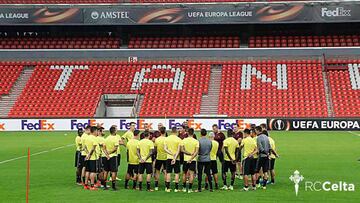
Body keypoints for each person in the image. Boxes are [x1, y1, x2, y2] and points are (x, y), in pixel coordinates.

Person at [180, 128, 199, 193]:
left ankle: (184, 188)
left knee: (184, 174)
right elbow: (196, 152)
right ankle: (190, 189)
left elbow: (182, 150)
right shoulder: (196, 141)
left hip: (185, 159)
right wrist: (191, 157)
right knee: (191, 174)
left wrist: (188, 153)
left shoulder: (184, 140)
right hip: (192, 160)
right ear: (193, 133)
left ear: (187, 133)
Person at [164, 127, 182, 192]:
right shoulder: (179, 139)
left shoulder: (167, 139)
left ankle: (167, 188)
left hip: (169, 157)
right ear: (176, 131)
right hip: (177, 158)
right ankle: (176, 188)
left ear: (171, 131)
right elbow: (178, 150)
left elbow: (165, 149)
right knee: (177, 173)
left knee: (168, 172)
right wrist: (174, 156)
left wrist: (171, 154)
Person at [104, 126, 120, 190]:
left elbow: (104, 148)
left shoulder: (106, 138)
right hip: (113, 156)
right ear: (114, 131)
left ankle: (105, 185)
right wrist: (110, 153)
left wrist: (107, 154)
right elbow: (115, 148)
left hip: (106, 157)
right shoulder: (115, 139)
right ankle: (113, 186)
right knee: (114, 171)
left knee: (106, 171)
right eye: (116, 130)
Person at [84, 126, 99, 190]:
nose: (97, 132)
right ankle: (92, 186)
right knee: (93, 172)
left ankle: (86, 185)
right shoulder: (94, 138)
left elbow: (85, 147)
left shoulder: (87, 138)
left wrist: (87, 154)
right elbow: (93, 148)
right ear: (95, 131)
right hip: (93, 157)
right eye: (97, 131)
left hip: (87, 157)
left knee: (87, 171)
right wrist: (90, 154)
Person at [154, 126, 167, 191]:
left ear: (160, 132)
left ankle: (156, 186)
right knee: (165, 171)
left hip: (159, 157)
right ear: (165, 131)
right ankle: (166, 186)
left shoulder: (157, 139)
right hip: (166, 157)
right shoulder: (167, 139)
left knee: (157, 171)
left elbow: (155, 149)